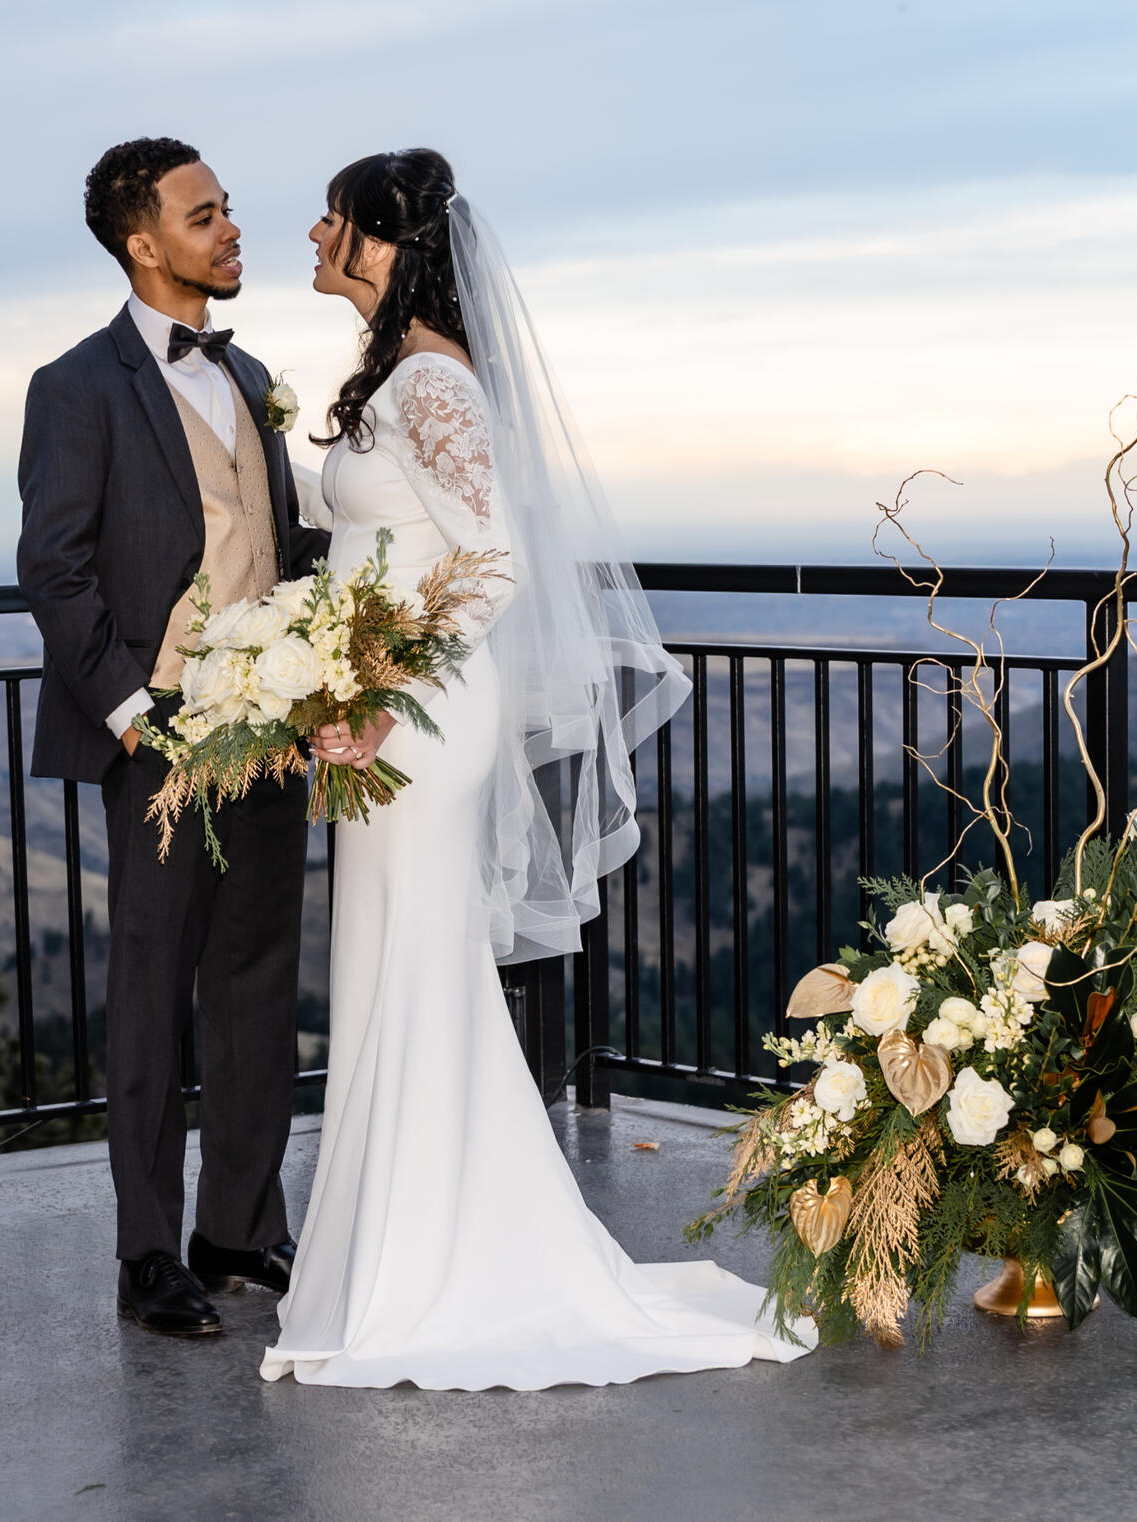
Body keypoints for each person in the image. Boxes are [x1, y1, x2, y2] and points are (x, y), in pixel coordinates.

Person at [259, 149, 814, 1389]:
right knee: (393, 966)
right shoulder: (398, 373)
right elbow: (379, 522)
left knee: (414, 961)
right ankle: (399, 1251)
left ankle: (433, 1266)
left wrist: (379, 697)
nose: (313, 232)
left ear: (379, 241)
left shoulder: (432, 380)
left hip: (421, 716)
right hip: (389, 705)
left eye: (332, 217)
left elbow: (496, 560)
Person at [17, 137, 329, 1338]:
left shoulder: (247, 374)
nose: (231, 229)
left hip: (268, 727)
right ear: (144, 243)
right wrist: (131, 714)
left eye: (227, 209)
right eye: (205, 217)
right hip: (157, 738)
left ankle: (238, 1225)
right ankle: (148, 1251)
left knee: (257, 979)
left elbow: (271, 538)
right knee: (153, 994)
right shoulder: (75, 385)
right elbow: (55, 568)